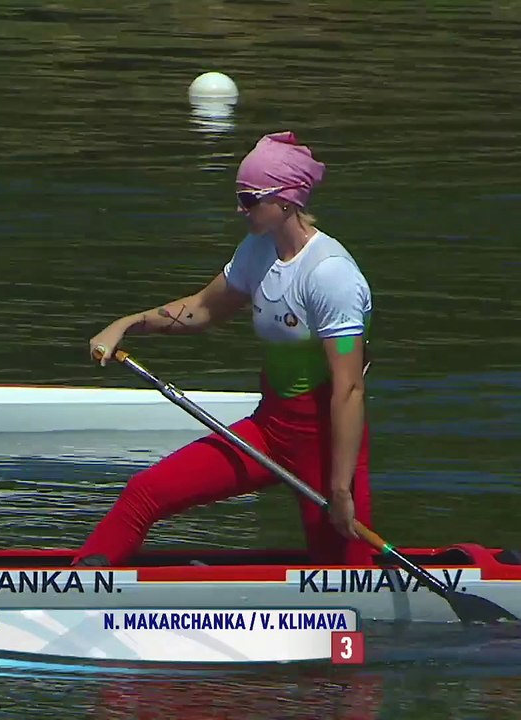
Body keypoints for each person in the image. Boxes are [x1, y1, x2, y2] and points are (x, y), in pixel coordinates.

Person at [77, 131, 374, 566]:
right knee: (146, 492)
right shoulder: (258, 251)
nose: (240, 208)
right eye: (240, 196)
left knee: (344, 569)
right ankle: (74, 587)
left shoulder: (331, 275)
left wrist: (341, 489)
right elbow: (201, 309)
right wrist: (126, 324)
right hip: (270, 429)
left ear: (287, 199)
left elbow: (348, 391)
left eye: (250, 198)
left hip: (326, 445)